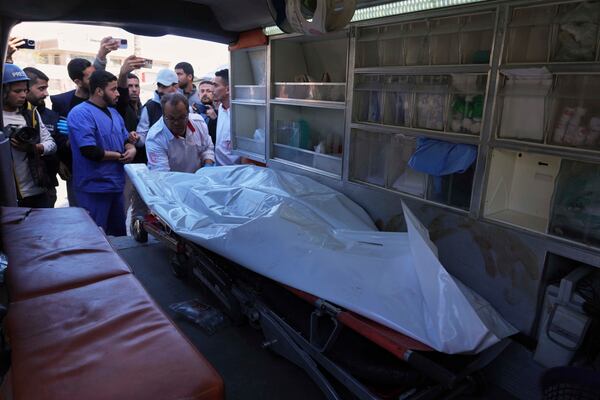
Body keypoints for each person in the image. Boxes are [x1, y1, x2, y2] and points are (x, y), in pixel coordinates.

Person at [49, 36, 121, 206]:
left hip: (106, 173)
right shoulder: (62, 102)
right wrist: (60, 161)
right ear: (77, 81)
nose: (95, 80)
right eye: (90, 78)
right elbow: (55, 135)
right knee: (81, 218)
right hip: (76, 171)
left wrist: (103, 53)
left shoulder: (106, 104)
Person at [67, 70, 136, 236]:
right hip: (93, 188)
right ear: (99, 91)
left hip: (116, 186)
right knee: (95, 238)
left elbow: (125, 139)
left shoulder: (114, 113)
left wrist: (131, 148)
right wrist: (119, 155)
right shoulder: (80, 113)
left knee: (119, 236)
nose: (118, 93)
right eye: (113, 89)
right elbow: (89, 151)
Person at [2, 64, 56, 207]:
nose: (23, 95)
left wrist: (34, 147)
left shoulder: (30, 112)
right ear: (3, 91)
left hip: (37, 191)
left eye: (25, 90)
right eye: (17, 91)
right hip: (7, 195)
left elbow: (51, 144)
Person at [23, 67, 64, 207]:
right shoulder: (12, 115)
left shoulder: (50, 115)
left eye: (46, 88)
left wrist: (61, 163)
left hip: (47, 183)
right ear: (25, 87)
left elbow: (55, 144)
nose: (46, 93)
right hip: (22, 186)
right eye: (41, 88)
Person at [146, 92, 214, 173]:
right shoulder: (155, 138)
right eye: (171, 118)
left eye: (181, 117)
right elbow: (162, 174)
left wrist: (208, 165)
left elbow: (207, 148)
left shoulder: (199, 123)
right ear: (163, 115)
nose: (176, 123)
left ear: (188, 113)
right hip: (171, 182)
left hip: (199, 178)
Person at [213, 68, 240, 166]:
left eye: (216, 85)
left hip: (235, 173)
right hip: (219, 170)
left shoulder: (241, 114)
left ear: (228, 89)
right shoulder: (220, 108)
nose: (212, 90)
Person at [193, 79, 217, 144]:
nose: (205, 94)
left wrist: (215, 119)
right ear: (198, 95)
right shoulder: (192, 112)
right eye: (202, 91)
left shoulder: (221, 112)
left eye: (208, 91)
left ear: (214, 94)